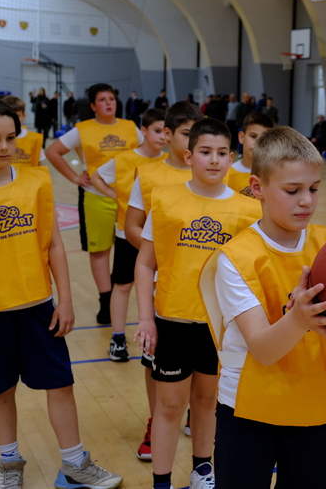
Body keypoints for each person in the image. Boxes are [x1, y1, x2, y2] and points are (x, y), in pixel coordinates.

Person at [199, 126, 326, 487]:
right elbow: (264, 350)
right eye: (292, 190)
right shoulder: (235, 258)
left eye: (314, 189)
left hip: (315, 406)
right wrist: (300, 318)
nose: (307, 200)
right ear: (257, 188)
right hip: (249, 411)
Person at [0, 99, 123, 489]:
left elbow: (54, 245)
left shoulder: (37, 180)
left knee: (60, 384)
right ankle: (9, 466)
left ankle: (75, 463)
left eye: (10, 137)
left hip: (38, 307)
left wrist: (65, 298)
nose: (4, 146)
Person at [134, 118, 261, 489]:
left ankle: (202, 470)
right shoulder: (166, 200)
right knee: (169, 407)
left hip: (219, 326)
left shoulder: (247, 210)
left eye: (222, 153)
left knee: (208, 402)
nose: (214, 160)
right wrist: (145, 319)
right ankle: (161, 481)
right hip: (172, 321)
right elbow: (145, 262)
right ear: (189, 156)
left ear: (232, 157)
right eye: (205, 152)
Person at [123, 101, 203, 462]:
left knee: (203, 366)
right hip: (161, 285)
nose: (193, 142)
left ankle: (194, 420)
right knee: (153, 362)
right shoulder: (149, 175)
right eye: (187, 134)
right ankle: (157, 422)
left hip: (200, 287)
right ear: (168, 135)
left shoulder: (210, 173)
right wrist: (162, 253)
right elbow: (131, 227)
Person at [45, 83, 143, 326]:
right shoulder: (83, 129)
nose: (109, 102)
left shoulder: (130, 127)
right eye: (102, 99)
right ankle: (105, 300)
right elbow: (53, 151)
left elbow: (149, 151)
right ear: (92, 106)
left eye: (112, 98)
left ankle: (121, 295)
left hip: (129, 199)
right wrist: (75, 177)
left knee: (130, 249)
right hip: (95, 196)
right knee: (100, 251)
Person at [90, 108, 168, 363]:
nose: (162, 136)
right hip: (128, 233)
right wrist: (115, 196)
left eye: (165, 131)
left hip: (158, 236)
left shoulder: (168, 162)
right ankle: (118, 338)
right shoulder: (124, 159)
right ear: (143, 131)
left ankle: (153, 337)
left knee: (156, 287)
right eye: (156, 131)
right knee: (122, 286)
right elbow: (96, 176)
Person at [227, 112, 274, 197]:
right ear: (242, 137)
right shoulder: (227, 174)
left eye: (264, 139)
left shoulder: (275, 174)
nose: (257, 143)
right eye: (253, 136)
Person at [1, 96, 46, 167]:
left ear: (23, 116)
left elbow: (38, 165)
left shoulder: (35, 139)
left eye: (17, 116)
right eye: (9, 116)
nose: (13, 120)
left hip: (28, 177)